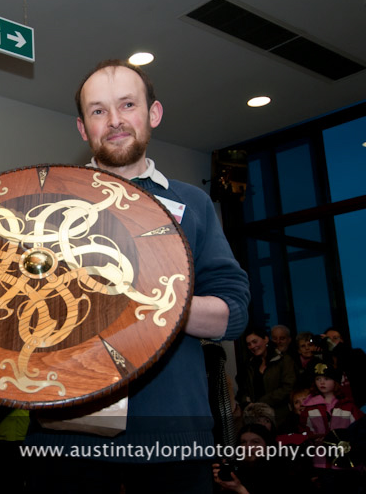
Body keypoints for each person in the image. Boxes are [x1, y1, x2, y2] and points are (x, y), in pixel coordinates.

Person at [23, 59, 250, 493]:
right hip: (67, 440)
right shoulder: (46, 205)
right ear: (82, 127)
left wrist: (144, 298)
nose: (114, 121)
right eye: (98, 111)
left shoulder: (193, 204)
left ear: (153, 113)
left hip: (173, 441)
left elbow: (233, 314)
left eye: (127, 105)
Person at [300, 362, 364, 492]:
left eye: (327, 379)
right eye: (318, 379)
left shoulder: (348, 407)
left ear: (335, 381)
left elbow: (360, 432)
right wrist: (312, 439)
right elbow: (303, 432)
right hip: (321, 462)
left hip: (347, 463)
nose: (322, 382)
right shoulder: (309, 408)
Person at [237, 327, 296, 430]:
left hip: (280, 417)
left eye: (255, 342)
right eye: (249, 344)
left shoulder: (284, 360)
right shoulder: (249, 365)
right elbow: (243, 390)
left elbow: (288, 387)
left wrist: (261, 402)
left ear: (266, 339)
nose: (252, 346)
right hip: (256, 419)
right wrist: (247, 403)